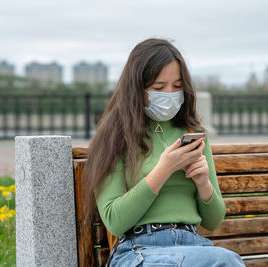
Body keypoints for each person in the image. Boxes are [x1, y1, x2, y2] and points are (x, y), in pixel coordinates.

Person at [83, 38, 245, 267]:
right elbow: (114, 221)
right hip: (138, 250)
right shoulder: (114, 137)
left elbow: (213, 220)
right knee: (225, 262)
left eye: (177, 86)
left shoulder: (192, 133)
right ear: (136, 89)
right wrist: (164, 169)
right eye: (159, 88)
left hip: (192, 246)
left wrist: (203, 184)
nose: (169, 94)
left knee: (223, 261)